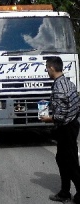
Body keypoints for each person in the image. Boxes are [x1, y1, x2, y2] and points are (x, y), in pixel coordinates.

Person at [40, 56, 80, 204]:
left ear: (52, 68)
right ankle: (64, 192)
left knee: (70, 162)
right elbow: (76, 105)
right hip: (72, 124)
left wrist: (47, 118)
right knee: (63, 159)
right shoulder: (69, 83)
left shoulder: (58, 87)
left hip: (66, 128)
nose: (46, 71)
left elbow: (60, 115)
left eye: (46, 68)